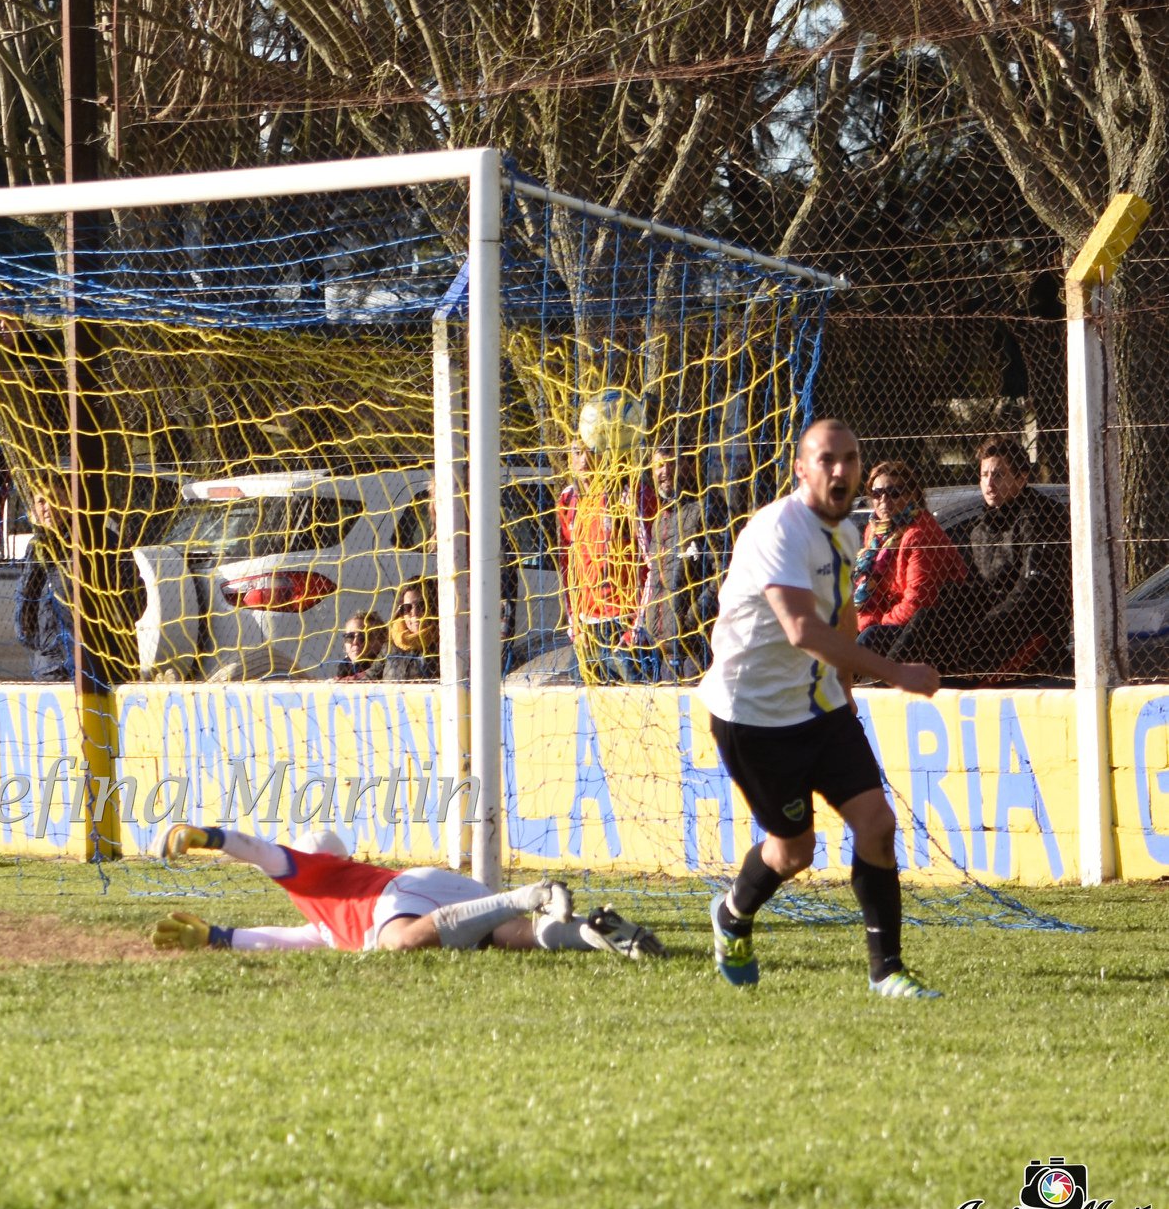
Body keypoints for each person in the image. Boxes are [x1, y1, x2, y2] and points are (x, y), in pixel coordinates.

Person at [696, 419, 944, 999]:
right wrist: (897, 673)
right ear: (801, 470)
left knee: (877, 826)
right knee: (793, 853)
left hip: (820, 707)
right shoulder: (779, 530)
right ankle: (732, 915)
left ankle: (886, 972)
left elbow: (843, 616)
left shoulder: (848, 533)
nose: (841, 470)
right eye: (827, 459)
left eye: (850, 459)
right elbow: (803, 630)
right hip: (754, 716)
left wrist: (847, 689)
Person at [148, 824, 664, 959]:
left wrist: (207, 838)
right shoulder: (328, 919)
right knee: (514, 938)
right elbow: (288, 939)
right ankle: (598, 934)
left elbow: (259, 850)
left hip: (402, 898)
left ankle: (525, 895)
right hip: (436, 889)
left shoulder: (312, 873)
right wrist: (218, 937)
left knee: (397, 942)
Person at [955, 436, 1071, 681]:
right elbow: (976, 589)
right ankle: (887, 683)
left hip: (1031, 630)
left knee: (965, 644)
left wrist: (982, 626)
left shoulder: (1040, 517)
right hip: (989, 623)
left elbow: (1033, 589)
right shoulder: (980, 529)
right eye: (984, 475)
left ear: (1021, 478)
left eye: (998, 475)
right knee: (929, 619)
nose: (989, 483)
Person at [557, 438, 656, 682]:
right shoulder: (568, 500)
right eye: (577, 452)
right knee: (581, 700)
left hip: (623, 625)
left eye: (592, 451)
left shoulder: (630, 495)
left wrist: (636, 629)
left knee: (635, 699)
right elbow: (567, 568)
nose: (584, 460)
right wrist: (575, 626)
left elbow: (653, 566)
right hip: (586, 629)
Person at [631, 442, 727, 681]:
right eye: (659, 465)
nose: (664, 471)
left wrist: (693, 617)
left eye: (671, 463)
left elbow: (723, 571)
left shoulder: (706, 509)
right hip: (665, 649)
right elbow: (655, 575)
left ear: (689, 465)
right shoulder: (660, 519)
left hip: (698, 648)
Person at [853, 460, 964, 659]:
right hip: (889, 621)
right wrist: (866, 623)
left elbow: (918, 602)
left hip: (926, 628)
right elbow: (871, 592)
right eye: (877, 493)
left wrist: (876, 625)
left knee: (869, 638)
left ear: (912, 495)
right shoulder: (875, 531)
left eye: (894, 493)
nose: (884, 500)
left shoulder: (919, 534)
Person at [15, 490, 75, 682]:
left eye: (54, 498)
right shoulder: (36, 547)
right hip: (48, 662)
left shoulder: (89, 542)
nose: (48, 507)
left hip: (85, 659)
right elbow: (24, 600)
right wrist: (36, 642)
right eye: (41, 501)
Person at [388, 578, 440, 675]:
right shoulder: (390, 645)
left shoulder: (443, 644)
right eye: (407, 608)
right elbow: (370, 676)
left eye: (421, 605)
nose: (414, 613)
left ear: (433, 607)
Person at [336, 611, 390, 682]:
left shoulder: (387, 664)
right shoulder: (344, 667)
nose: (355, 642)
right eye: (350, 637)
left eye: (363, 637)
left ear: (381, 639)